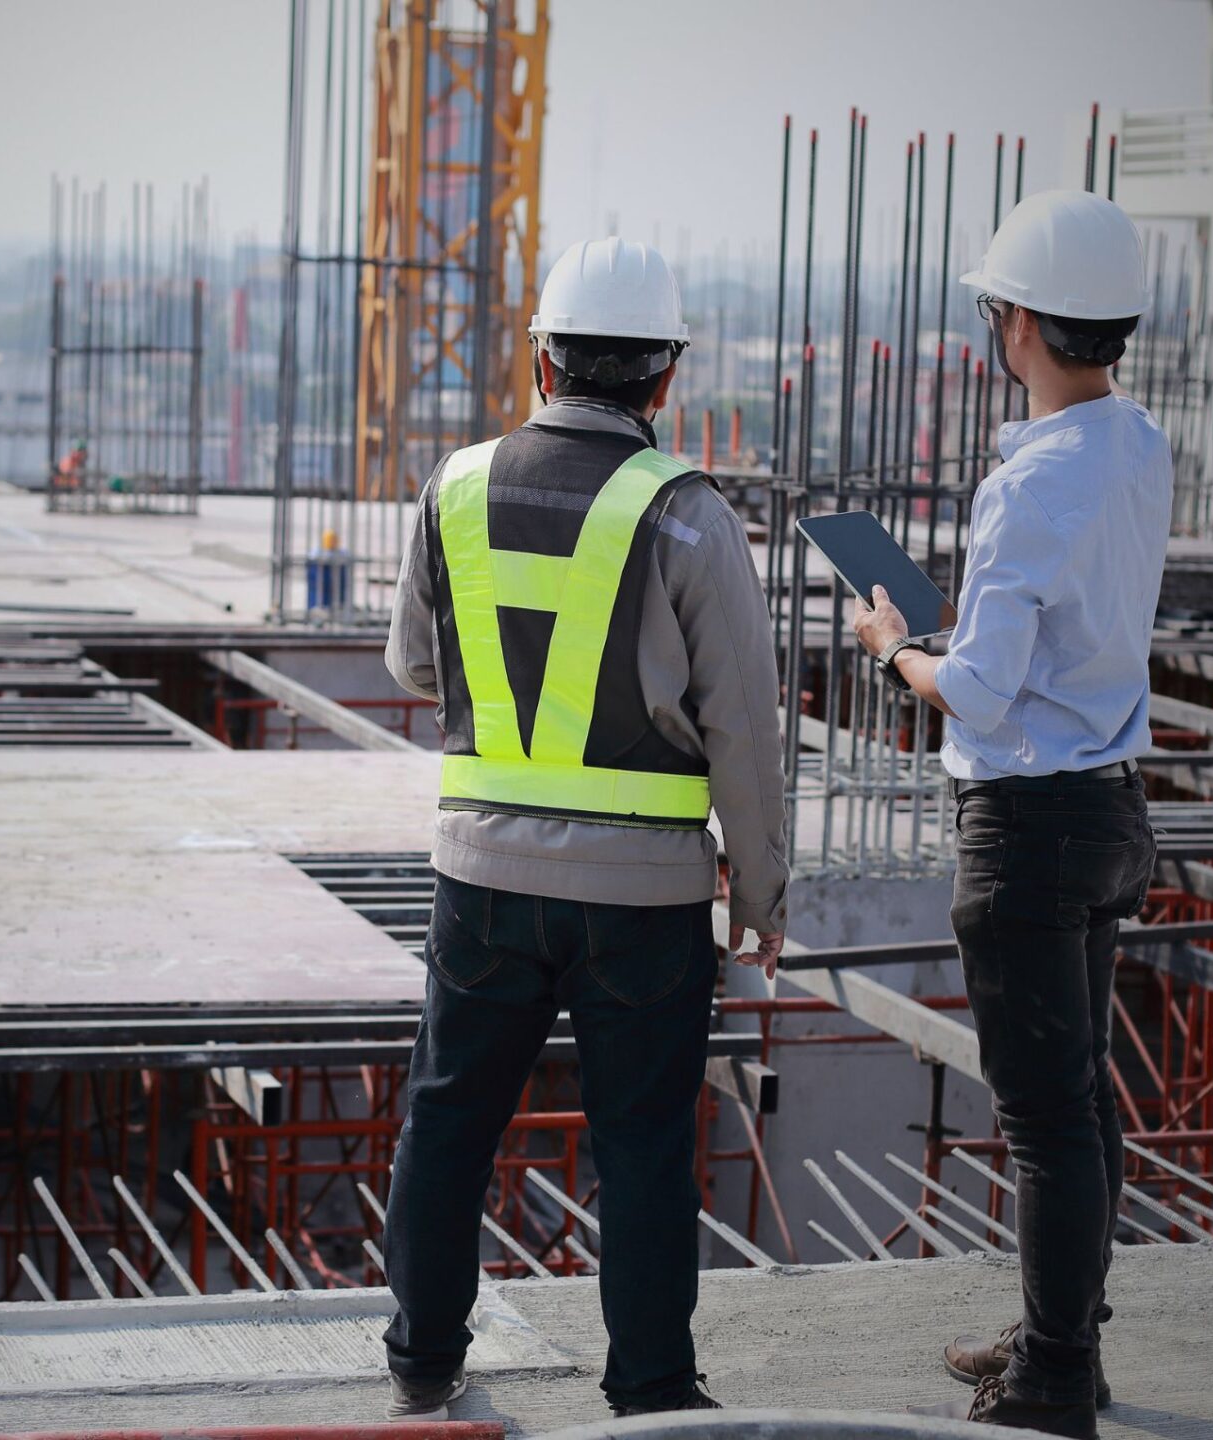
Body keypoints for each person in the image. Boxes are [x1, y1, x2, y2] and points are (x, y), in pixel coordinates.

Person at [380, 237, 788, 1421]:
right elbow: (744, 730)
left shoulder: (455, 486)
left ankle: (421, 1364)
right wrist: (761, 895)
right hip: (644, 903)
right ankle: (652, 1393)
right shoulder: (689, 515)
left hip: (483, 884)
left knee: (447, 1123)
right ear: (666, 376)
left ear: (542, 360)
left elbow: (413, 664)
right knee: (645, 1147)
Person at [853, 190, 1167, 1440]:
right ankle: (1058, 1342)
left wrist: (894, 647)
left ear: (1019, 322)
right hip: (1110, 808)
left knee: (1046, 1121)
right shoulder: (1136, 443)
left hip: (1029, 825)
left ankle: (1050, 1383)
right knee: (1081, 1100)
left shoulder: (1027, 484)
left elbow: (978, 693)